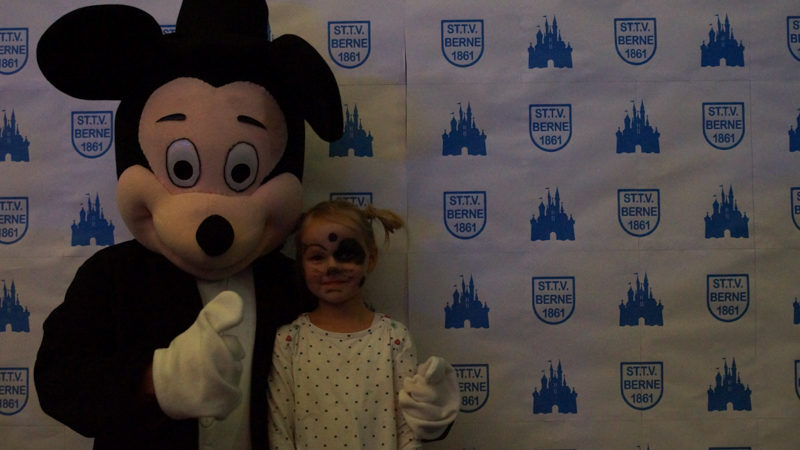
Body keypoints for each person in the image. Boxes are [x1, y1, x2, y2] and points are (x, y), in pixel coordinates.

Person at [267, 200, 422, 449]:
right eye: (317, 256)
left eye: (346, 254)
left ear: (370, 259)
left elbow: (410, 431)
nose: (331, 266)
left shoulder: (394, 338)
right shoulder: (288, 341)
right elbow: (280, 432)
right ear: (301, 264)